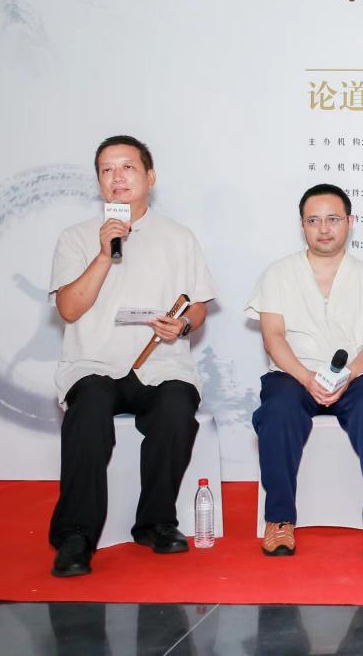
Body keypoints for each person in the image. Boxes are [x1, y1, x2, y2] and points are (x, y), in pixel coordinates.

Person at [48, 135, 216, 577]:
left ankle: (156, 522)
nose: (117, 177)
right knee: (89, 411)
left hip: (160, 363)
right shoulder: (76, 238)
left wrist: (183, 325)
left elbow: (198, 305)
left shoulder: (178, 237)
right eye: (107, 169)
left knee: (177, 408)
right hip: (95, 364)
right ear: (99, 181)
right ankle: (76, 536)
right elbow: (69, 309)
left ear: (150, 177)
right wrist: (105, 254)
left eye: (127, 167)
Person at [249, 184, 363, 560]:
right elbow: (273, 337)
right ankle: (279, 519)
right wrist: (305, 377)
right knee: (278, 411)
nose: (324, 229)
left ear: (349, 222)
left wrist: (348, 374)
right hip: (293, 373)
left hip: (355, 375)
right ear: (302, 225)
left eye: (333, 219)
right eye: (313, 220)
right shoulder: (278, 274)